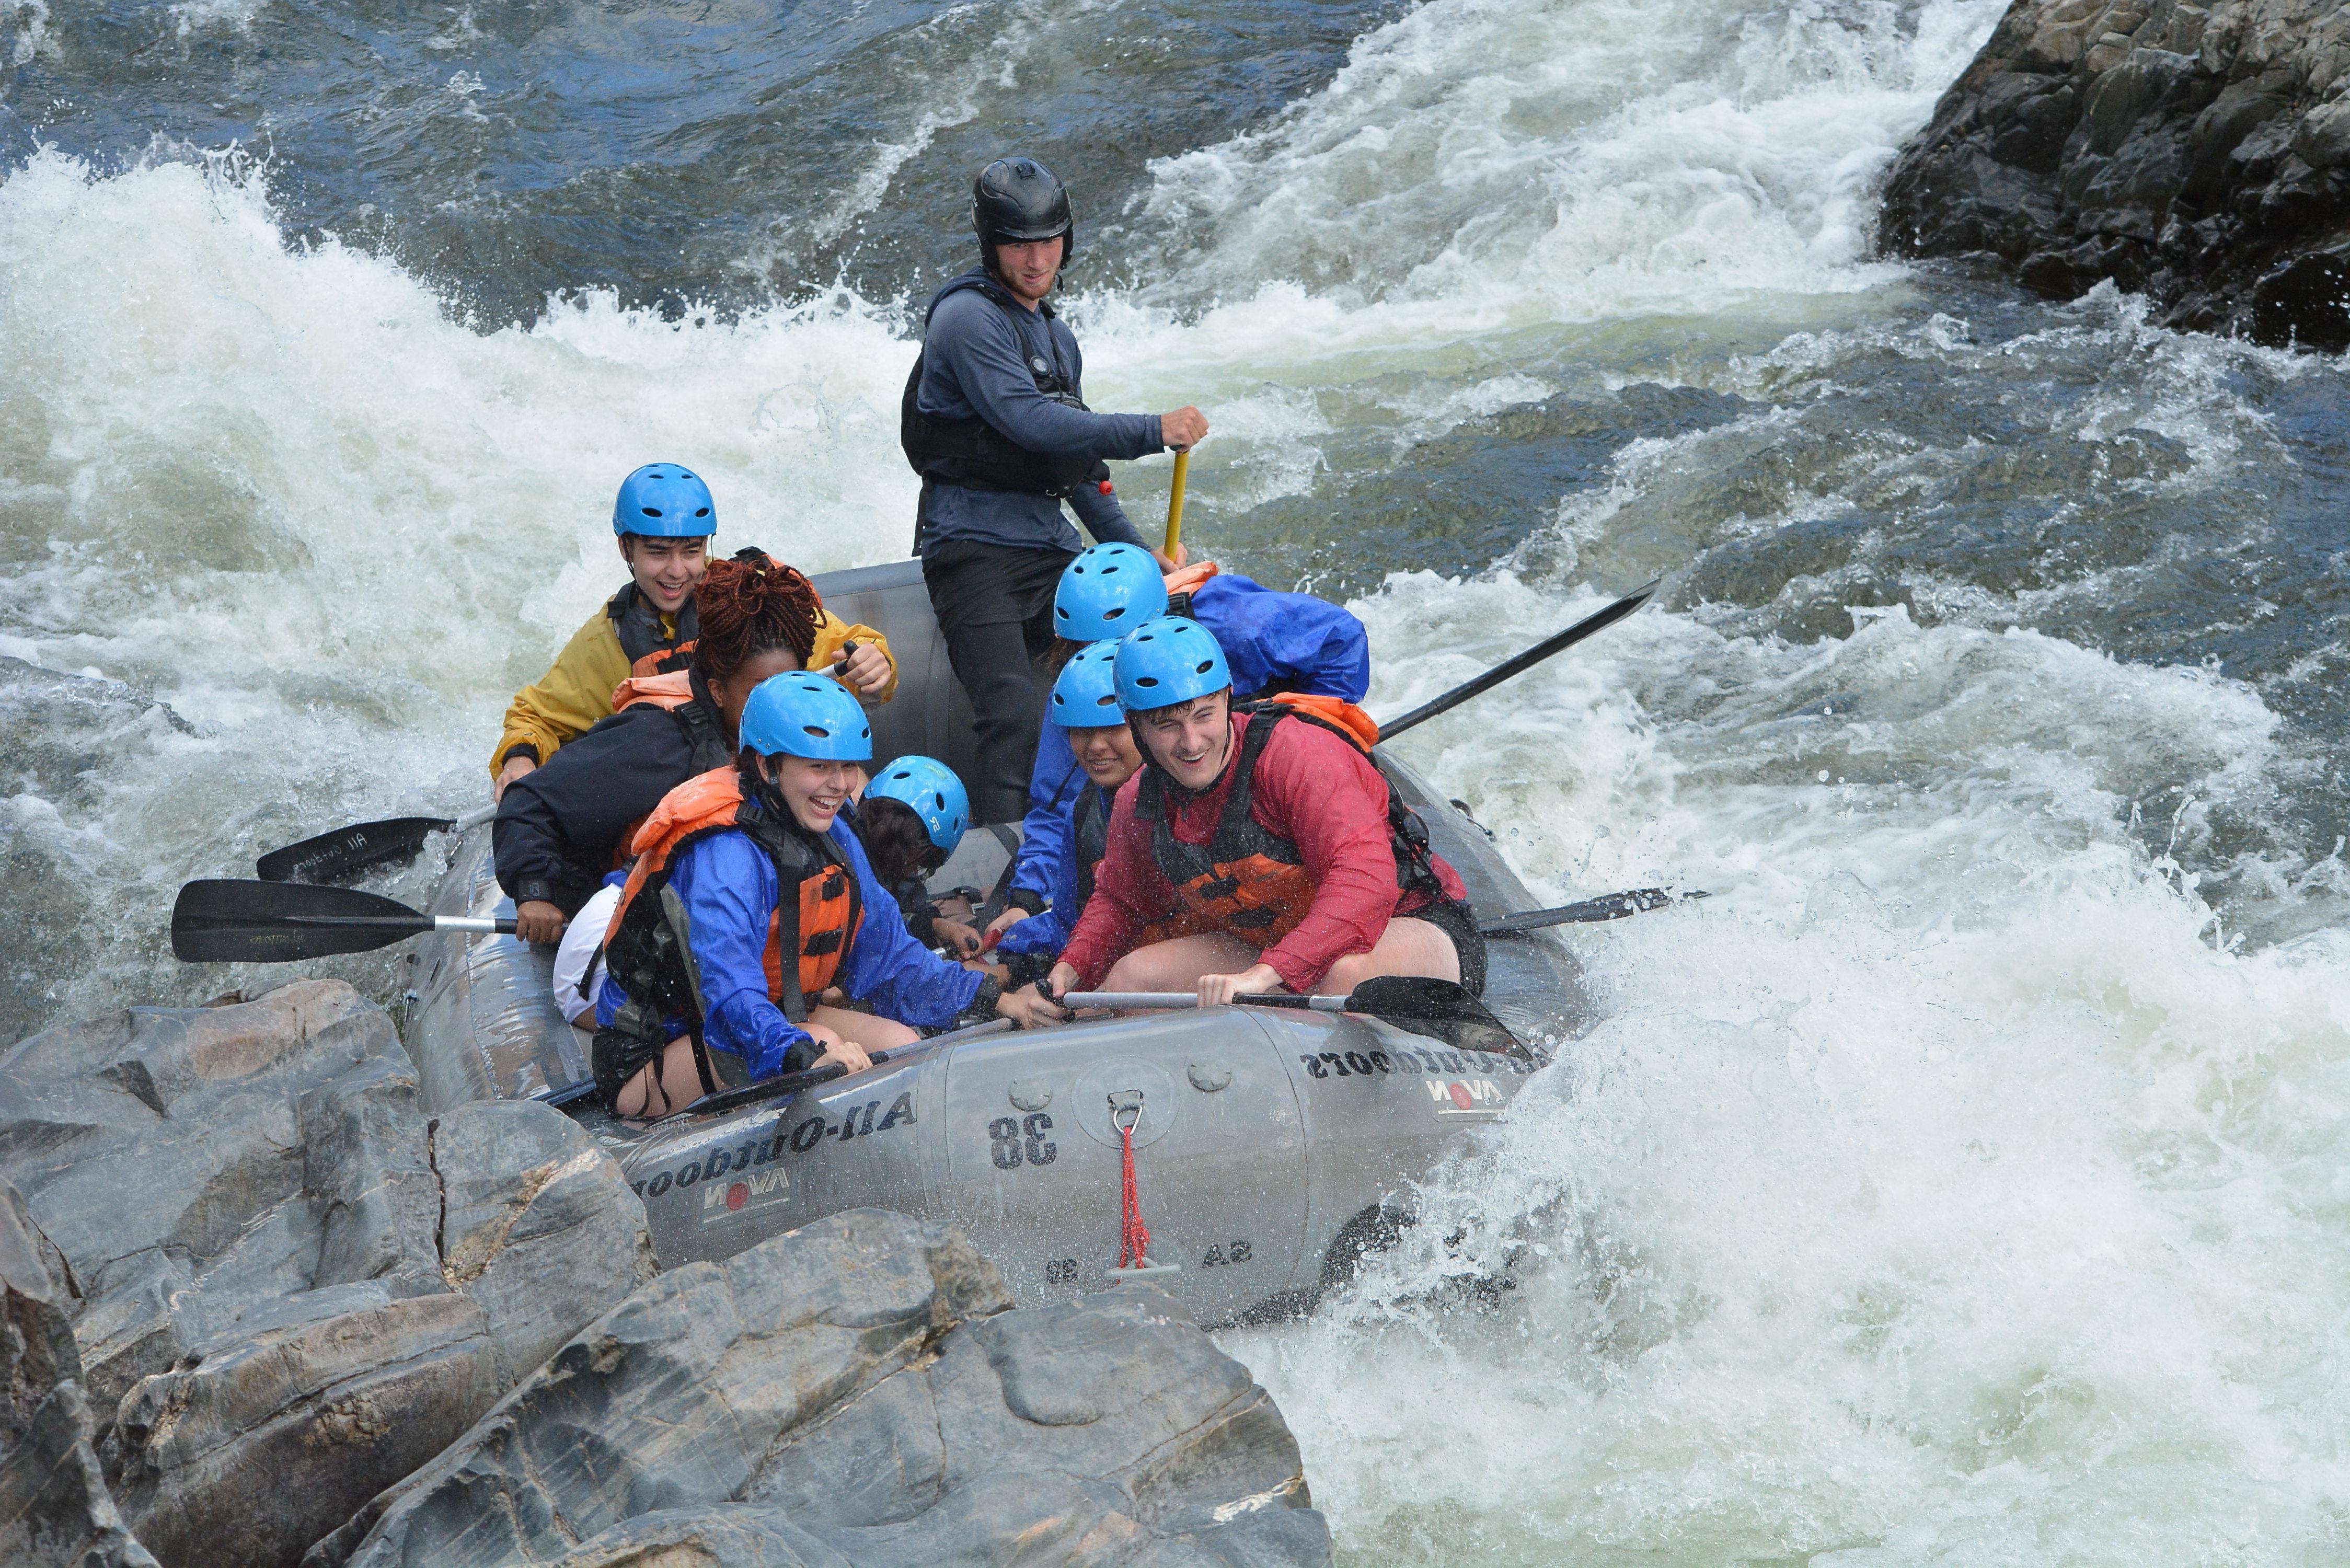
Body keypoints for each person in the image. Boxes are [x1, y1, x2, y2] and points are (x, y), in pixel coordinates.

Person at [591, 675, 1065, 1120]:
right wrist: (801, 1052)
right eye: (818, 767)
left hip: (775, 1013)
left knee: (900, 1043)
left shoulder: (832, 833)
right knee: (823, 1046)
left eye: (847, 766)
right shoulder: (725, 855)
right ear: (767, 764)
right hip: (655, 1053)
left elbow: (893, 958)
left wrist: (995, 1000)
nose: (839, 785)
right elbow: (731, 993)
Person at [900, 156, 1209, 822]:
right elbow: (1029, 421)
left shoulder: (1057, 338)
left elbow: (1076, 465)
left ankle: (1170, 819)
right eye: (1018, 242)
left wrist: (1135, 558)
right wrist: (1154, 430)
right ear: (991, 245)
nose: (1036, 258)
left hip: (1048, 552)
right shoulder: (964, 321)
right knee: (1013, 707)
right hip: (971, 552)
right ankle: (1010, 868)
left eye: (1048, 240)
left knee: (1154, 655)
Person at [1046, 618, 1486, 1008]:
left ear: (1227, 699)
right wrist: (1073, 965)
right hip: (1273, 947)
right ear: (1137, 727)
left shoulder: (1298, 757)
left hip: (1406, 925)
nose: (1192, 742)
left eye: (1204, 716)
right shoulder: (1137, 800)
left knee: (1342, 976)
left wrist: (1268, 974)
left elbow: (1364, 881)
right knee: (1131, 980)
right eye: (1167, 725)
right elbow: (1122, 900)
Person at [496, 552, 896, 943]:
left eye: (786, 687)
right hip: (647, 928)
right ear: (720, 693)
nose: (780, 709)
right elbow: (530, 803)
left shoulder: (790, 737)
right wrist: (534, 890)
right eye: (760, 694)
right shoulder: (658, 742)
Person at [989, 541, 1370, 943]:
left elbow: (1342, 640)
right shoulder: (1084, 685)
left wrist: (1290, 741)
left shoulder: (1234, 626)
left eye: (1113, 648)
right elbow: (1056, 803)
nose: (1104, 665)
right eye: (1083, 649)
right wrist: (1027, 898)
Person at [491, 464, 895, 798]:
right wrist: (520, 760)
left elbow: (854, 647)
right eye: (657, 552)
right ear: (625, 549)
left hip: (782, 770)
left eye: (691, 551)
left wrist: (875, 663)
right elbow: (535, 718)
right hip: (695, 790)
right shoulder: (608, 640)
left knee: (852, 784)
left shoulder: (752, 600)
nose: (677, 571)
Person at [990, 642, 1138, 982]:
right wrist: (1016, 950)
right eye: (1081, 731)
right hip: (1132, 951)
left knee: (1134, 974)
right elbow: (1069, 922)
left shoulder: (1183, 799)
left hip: (1205, 962)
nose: (1096, 746)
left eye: (1113, 728)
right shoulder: (1085, 812)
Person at [850, 756, 983, 955]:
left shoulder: (848, 840)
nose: (912, 873)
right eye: (915, 865)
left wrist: (933, 926)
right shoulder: (852, 882)